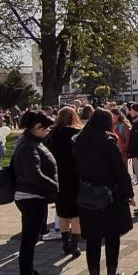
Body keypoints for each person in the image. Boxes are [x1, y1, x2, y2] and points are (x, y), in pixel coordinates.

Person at [73, 108, 135, 275]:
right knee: (112, 236)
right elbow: (119, 170)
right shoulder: (108, 143)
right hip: (110, 196)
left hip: (87, 195)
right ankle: (111, 273)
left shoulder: (78, 142)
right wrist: (129, 192)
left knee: (92, 239)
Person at [11, 111, 59, 275]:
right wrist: (55, 186)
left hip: (32, 196)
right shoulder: (28, 146)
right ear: (37, 126)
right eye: (46, 128)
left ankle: (30, 274)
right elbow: (34, 174)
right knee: (29, 243)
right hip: (31, 197)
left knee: (30, 240)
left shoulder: (29, 141)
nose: (47, 132)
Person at [47, 107, 83, 257]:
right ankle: (75, 245)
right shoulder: (77, 133)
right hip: (75, 175)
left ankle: (65, 242)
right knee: (76, 213)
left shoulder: (52, 134)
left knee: (62, 211)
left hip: (58, 176)